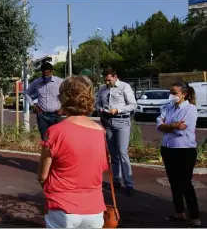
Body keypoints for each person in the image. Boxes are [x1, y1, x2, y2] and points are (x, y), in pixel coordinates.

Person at [38, 76, 108, 228]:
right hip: (94, 208)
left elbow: (43, 176)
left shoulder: (55, 132)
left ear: (63, 98)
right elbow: (102, 168)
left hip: (62, 206)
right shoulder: (100, 131)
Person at [156, 81, 202, 228]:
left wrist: (168, 126)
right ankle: (179, 212)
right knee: (174, 182)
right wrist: (172, 125)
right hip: (168, 148)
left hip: (184, 150)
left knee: (185, 183)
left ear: (184, 94)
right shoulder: (168, 107)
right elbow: (159, 124)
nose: (172, 95)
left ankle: (195, 217)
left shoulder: (191, 109)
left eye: (174, 93)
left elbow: (181, 129)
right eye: (171, 92)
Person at [95, 67, 137, 196]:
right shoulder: (102, 88)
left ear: (115, 77)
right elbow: (96, 104)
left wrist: (117, 110)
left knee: (122, 152)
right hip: (108, 122)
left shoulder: (124, 87)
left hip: (121, 121)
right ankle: (116, 180)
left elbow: (132, 105)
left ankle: (129, 183)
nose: (107, 83)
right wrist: (100, 110)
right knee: (113, 153)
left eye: (109, 80)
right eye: (105, 80)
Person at [24, 62, 64, 139]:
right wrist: (32, 105)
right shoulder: (37, 82)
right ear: (42, 73)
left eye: (48, 75)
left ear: (52, 72)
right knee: (45, 139)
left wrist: (64, 108)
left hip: (56, 115)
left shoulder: (60, 82)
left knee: (58, 139)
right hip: (42, 116)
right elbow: (26, 93)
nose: (46, 77)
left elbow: (69, 94)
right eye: (44, 75)